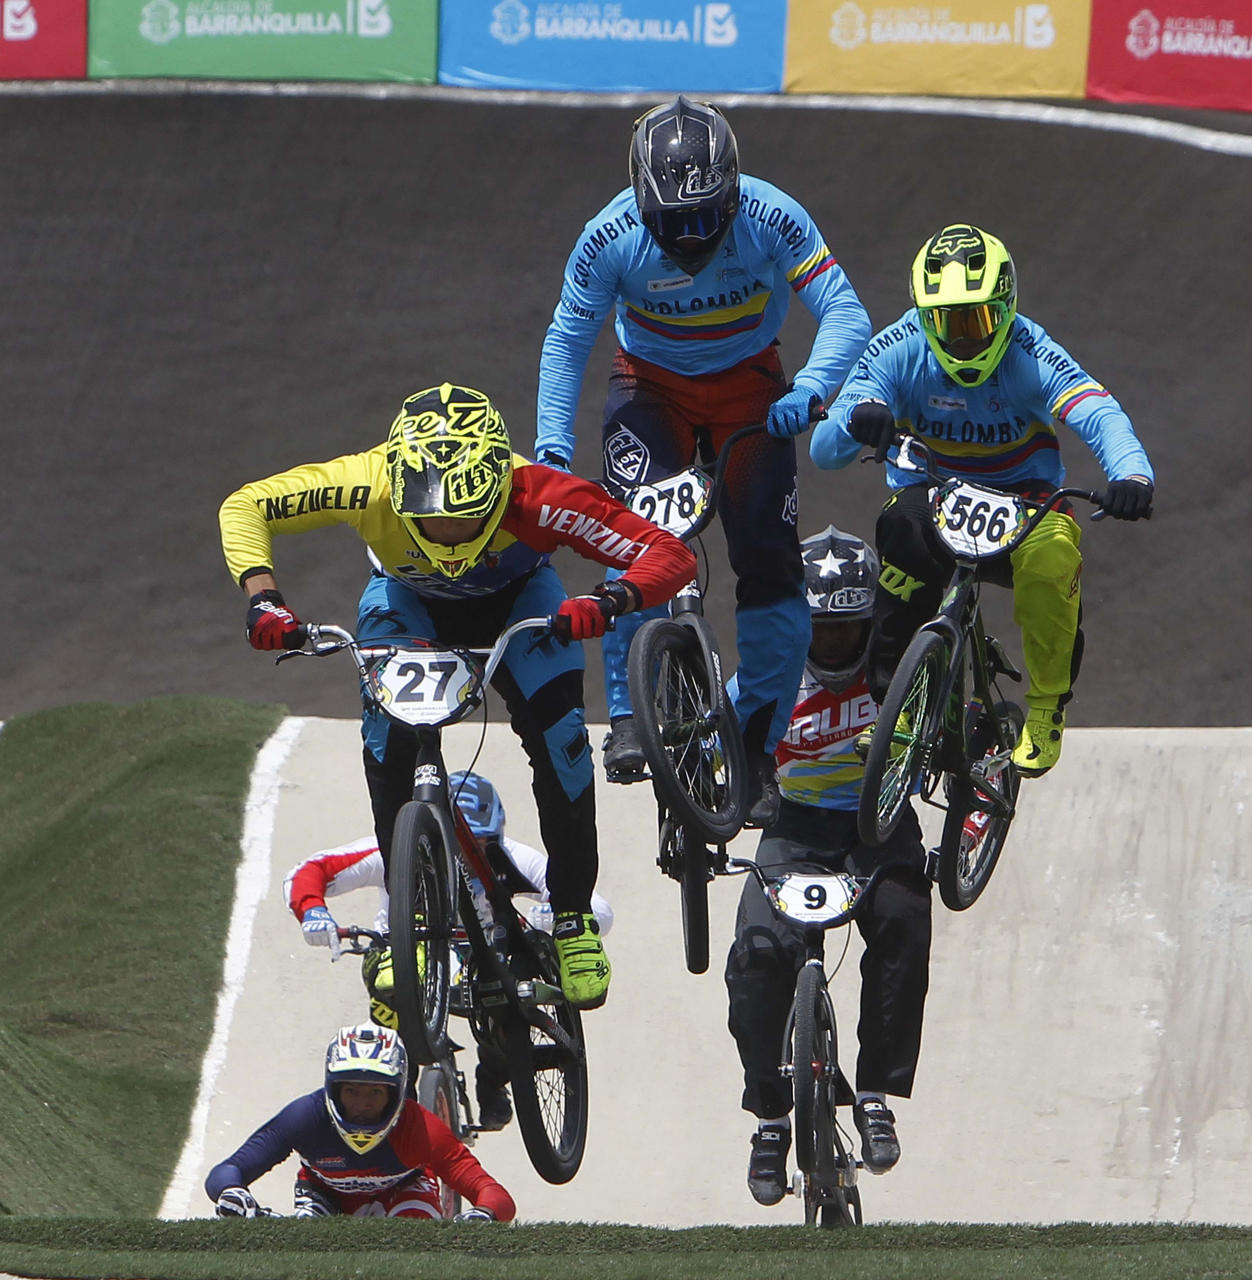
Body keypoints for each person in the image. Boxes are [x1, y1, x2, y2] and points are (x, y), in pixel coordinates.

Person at [219, 382, 696, 1009]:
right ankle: (410, 919)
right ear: (399, 487)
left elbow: (667, 553)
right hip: (407, 603)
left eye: (465, 515)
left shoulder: (541, 494)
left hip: (521, 605)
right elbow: (246, 505)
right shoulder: (366, 482)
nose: (447, 531)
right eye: (431, 514)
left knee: (562, 742)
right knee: (387, 741)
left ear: (499, 490)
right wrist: (264, 598)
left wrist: (609, 600)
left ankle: (573, 916)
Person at [534, 95, 873, 826]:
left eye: (706, 218)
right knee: (630, 541)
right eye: (673, 223)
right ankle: (629, 714)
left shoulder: (774, 215)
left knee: (770, 566)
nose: (690, 237)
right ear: (639, 200)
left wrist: (811, 387)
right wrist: (552, 449)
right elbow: (567, 341)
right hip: (650, 390)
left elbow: (846, 311)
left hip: (752, 389)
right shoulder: (607, 237)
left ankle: (757, 747)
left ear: (735, 192)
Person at [810, 223, 1155, 777]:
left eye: (979, 321)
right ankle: (899, 706)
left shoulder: (1031, 351)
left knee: (1053, 557)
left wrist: (1131, 474)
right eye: (949, 323)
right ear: (924, 317)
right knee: (900, 529)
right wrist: (857, 416)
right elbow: (825, 452)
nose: (965, 339)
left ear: (1007, 309)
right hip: (935, 495)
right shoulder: (898, 348)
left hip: (1024, 500)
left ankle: (1046, 705)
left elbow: (1098, 412)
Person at [725, 527, 931, 1211]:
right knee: (756, 959)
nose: (836, 642)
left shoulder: (903, 670)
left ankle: (874, 1093)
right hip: (794, 829)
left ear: (873, 619)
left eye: (850, 627)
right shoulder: (767, 674)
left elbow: (953, 732)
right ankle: (770, 1119)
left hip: (881, 826)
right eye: (822, 628)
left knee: (904, 921)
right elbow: (713, 749)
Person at [287, 770, 616, 1132]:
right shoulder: (395, 849)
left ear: (498, 837)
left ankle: (495, 1076)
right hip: (407, 953)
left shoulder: (516, 857)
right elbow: (311, 869)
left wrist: (551, 915)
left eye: (479, 844)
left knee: (508, 999)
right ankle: (402, 1087)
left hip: (482, 961)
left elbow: (597, 910)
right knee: (389, 981)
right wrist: (312, 911)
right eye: (455, 845)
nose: (465, 858)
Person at [206, 1024, 515, 1220]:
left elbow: (494, 1194)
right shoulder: (305, 1116)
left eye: (375, 1092)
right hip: (323, 1195)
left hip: (405, 1192)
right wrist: (233, 1193)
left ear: (396, 1093)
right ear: (333, 1090)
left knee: (416, 1239)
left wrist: (483, 1215)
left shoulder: (422, 1128)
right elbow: (227, 1171)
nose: (362, 1105)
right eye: (352, 1091)